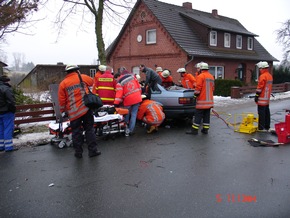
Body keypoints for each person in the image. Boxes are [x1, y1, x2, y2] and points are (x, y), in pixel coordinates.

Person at [58, 65, 101, 158]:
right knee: (89, 130)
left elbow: (62, 100)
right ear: (77, 70)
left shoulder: (63, 83)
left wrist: (63, 110)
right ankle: (92, 151)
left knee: (76, 132)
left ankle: (78, 153)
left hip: (73, 113)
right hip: (85, 109)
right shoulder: (82, 77)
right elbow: (92, 81)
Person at [186, 62, 214, 135]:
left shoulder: (201, 76)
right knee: (206, 116)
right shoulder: (211, 76)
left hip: (202, 101)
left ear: (201, 69)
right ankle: (205, 130)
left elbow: (198, 88)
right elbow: (213, 88)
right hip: (209, 101)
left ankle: (194, 130)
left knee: (198, 115)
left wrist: (195, 96)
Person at [114, 70, 142, 136]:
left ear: (118, 76)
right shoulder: (132, 77)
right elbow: (139, 87)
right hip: (137, 98)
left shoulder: (119, 82)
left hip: (129, 100)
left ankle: (125, 129)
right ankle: (131, 130)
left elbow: (119, 94)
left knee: (126, 114)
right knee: (134, 114)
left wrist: (115, 103)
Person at [255, 61, 273, 131]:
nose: (259, 70)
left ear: (262, 68)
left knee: (261, 113)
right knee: (267, 112)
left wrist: (256, 95)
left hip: (262, 98)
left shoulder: (263, 76)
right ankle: (267, 126)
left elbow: (260, 87)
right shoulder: (269, 76)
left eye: (260, 69)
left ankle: (261, 127)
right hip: (267, 98)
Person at [0, 75, 17, 152]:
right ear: (6, 81)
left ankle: (1, 146)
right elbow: (11, 101)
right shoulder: (6, 89)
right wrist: (13, 109)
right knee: (7, 129)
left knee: (1, 129)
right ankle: (8, 147)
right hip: (6, 112)